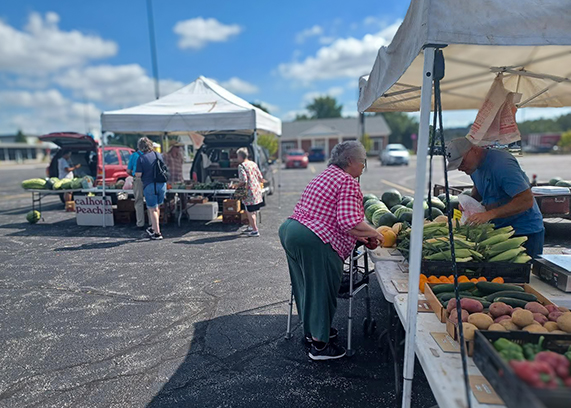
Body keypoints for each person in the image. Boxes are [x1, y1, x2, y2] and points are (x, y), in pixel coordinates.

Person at [278, 141, 384, 361]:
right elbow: (348, 222)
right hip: (314, 238)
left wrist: (362, 238)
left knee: (305, 287)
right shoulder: (347, 180)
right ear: (350, 161)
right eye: (363, 161)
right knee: (322, 291)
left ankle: (312, 333)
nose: (364, 166)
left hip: (291, 230)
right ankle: (320, 345)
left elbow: (336, 218)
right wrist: (375, 233)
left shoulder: (325, 175)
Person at [446, 137, 544, 257]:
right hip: (500, 230)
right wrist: (471, 202)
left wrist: (489, 214)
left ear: (474, 150)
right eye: (457, 165)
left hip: (524, 232)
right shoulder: (474, 167)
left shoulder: (503, 165)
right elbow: (480, 186)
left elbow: (526, 200)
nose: (460, 168)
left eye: (462, 162)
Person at [135, 137, 167, 240]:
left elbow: (138, 175)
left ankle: (157, 233)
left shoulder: (141, 159)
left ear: (140, 147)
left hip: (149, 185)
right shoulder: (159, 155)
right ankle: (154, 228)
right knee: (157, 207)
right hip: (162, 184)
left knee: (152, 209)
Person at [236, 147, 265, 237]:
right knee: (254, 210)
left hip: (249, 191)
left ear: (240, 157)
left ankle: (255, 230)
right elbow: (260, 177)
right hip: (256, 190)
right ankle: (251, 227)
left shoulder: (242, 166)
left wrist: (236, 185)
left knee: (249, 211)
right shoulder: (253, 164)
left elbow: (244, 180)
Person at [127, 148, 145, 228]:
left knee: (138, 201)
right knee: (150, 201)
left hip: (138, 179)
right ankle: (152, 223)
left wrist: (133, 175)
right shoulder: (150, 154)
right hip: (149, 179)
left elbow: (128, 171)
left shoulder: (134, 155)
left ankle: (140, 223)